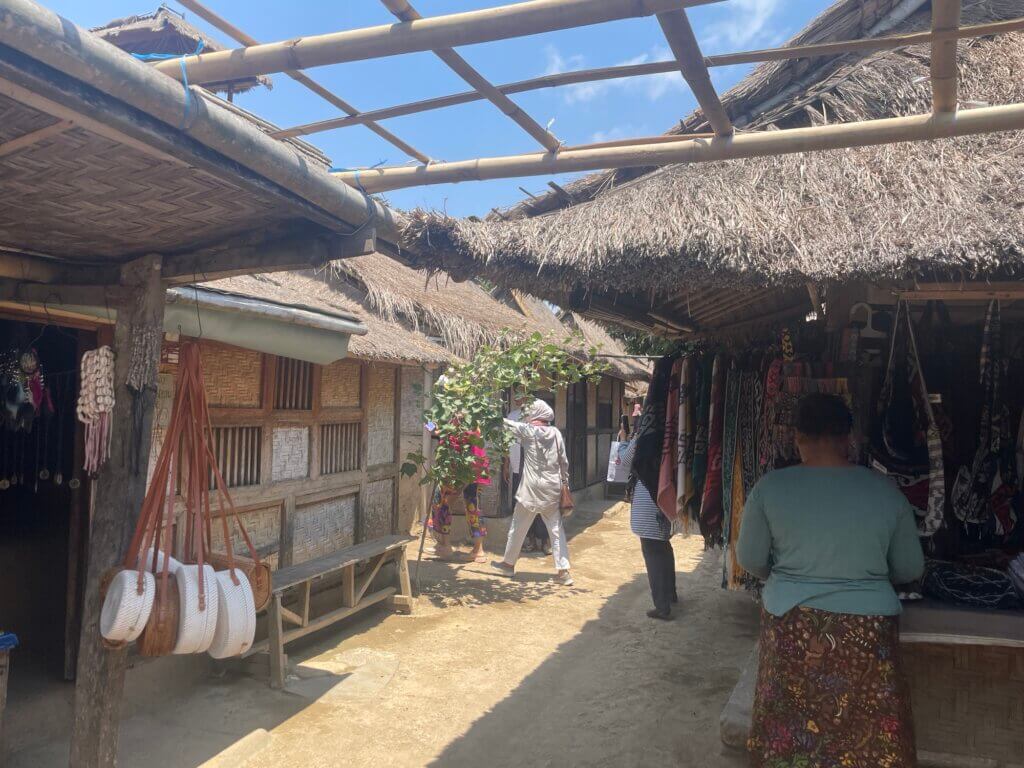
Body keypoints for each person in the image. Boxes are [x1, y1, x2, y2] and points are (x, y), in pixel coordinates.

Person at [737, 393, 924, 768]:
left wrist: (789, 575)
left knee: (789, 738)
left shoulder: (770, 488)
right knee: (871, 741)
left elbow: (750, 560)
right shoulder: (886, 491)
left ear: (797, 437)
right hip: (867, 632)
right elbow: (910, 568)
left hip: (792, 627)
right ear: (847, 438)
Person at [492, 399, 573, 585]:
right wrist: (565, 484)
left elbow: (506, 424)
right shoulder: (555, 433)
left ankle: (508, 565)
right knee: (556, 530)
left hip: (530, 489)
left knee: (518, 527)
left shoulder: (528, 431)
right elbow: (564, 462)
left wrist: (488, 413)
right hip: (552, 488)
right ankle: (563, 572)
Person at [620, 438, 679, 620]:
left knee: (652, 552)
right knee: (663, 547)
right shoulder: (670, 432)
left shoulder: (645, 433)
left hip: (649, 498)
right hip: (666, 494)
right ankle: (670, 594)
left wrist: (624, 441)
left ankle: (662, 606)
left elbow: (624, 460)